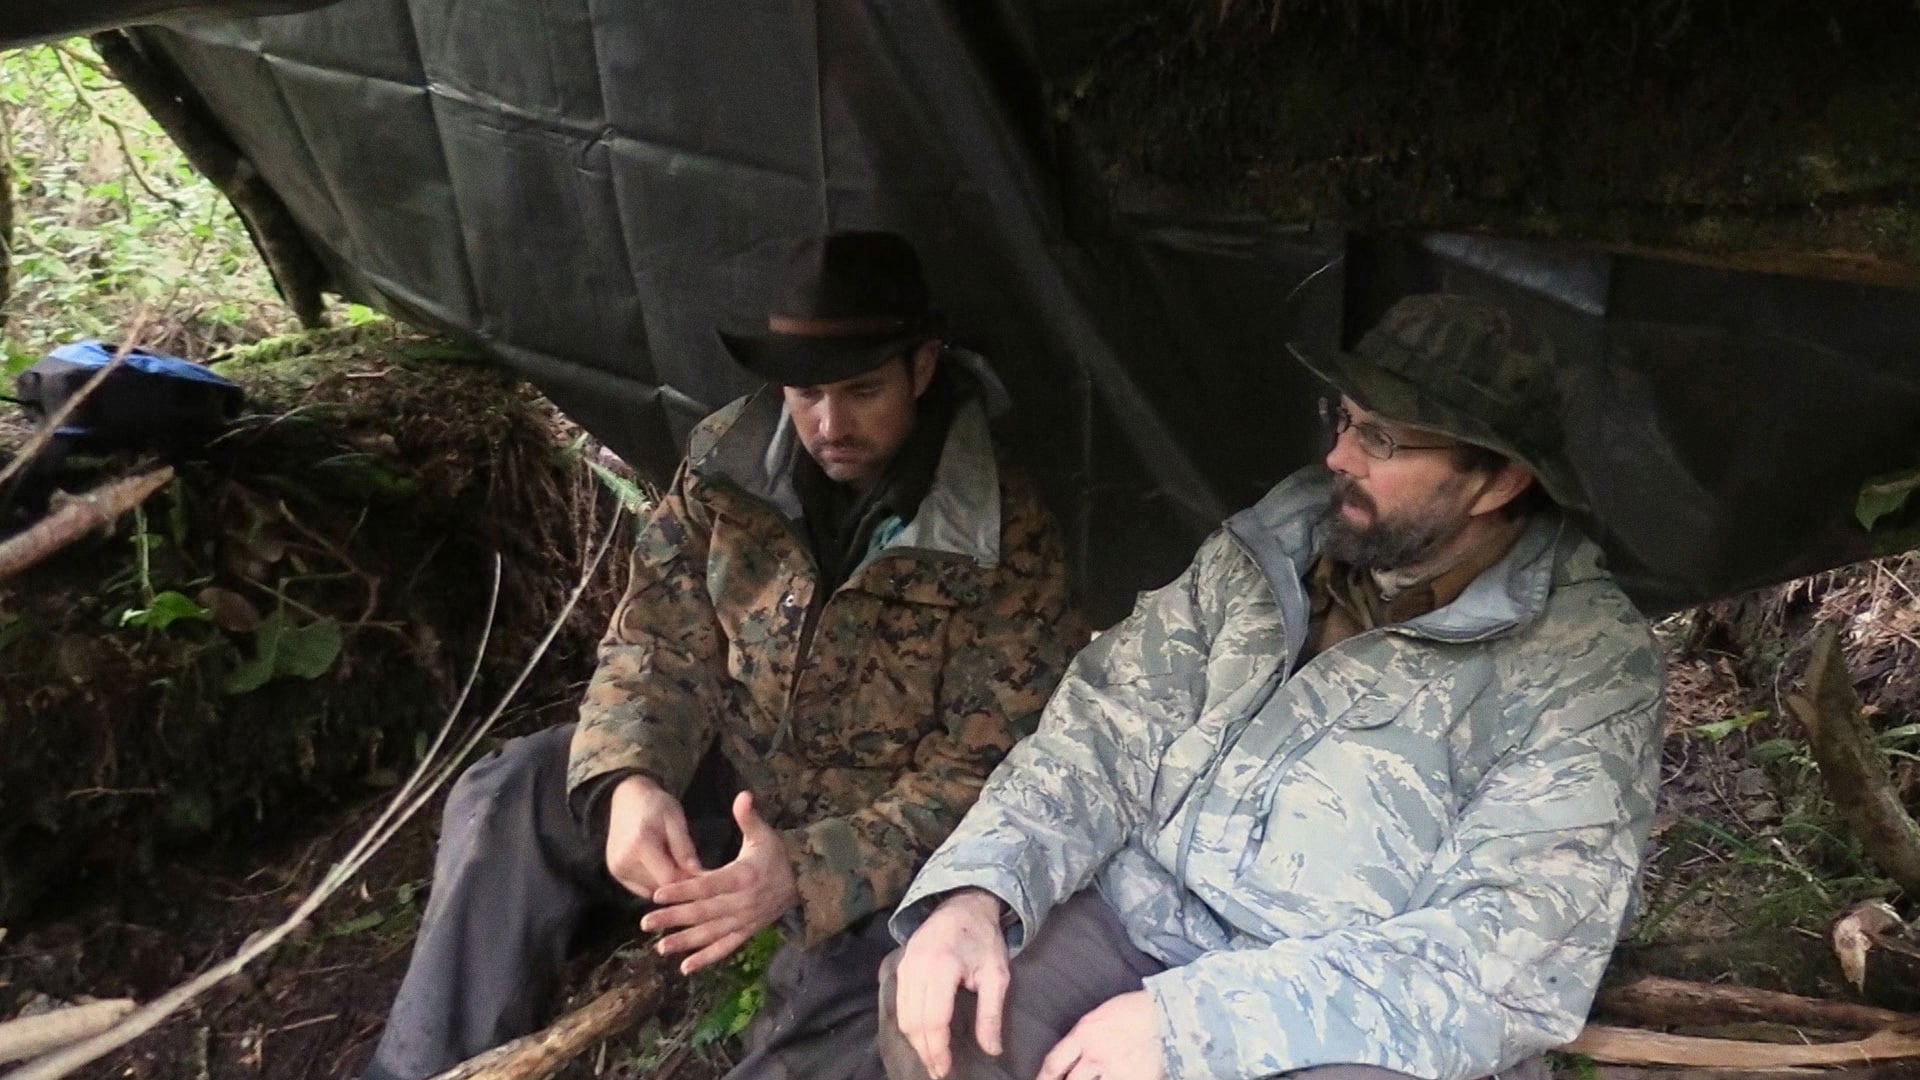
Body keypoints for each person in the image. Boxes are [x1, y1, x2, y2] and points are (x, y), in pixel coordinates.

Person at [881, 294, 1665, 1080]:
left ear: (1498, 484)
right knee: (947, 1003)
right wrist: (981, 889)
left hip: (1336, 1004)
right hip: (1140, 919)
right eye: (1344, 418)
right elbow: (1106, 729)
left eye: (1381, 439)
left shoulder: (1585, 665)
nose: (1340, 458)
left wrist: (1193, 1025)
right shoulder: (1279, 540)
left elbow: (1497, 960)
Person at [362, 231, 1085, 1080]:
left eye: (862, 391)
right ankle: (413, 1070)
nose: (829, 425)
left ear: (922, 370)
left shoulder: (1002, 533)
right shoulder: (727, 466)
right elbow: (657, 641)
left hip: (877, 853)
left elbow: (984, 770)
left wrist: (808, 872)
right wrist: (632, 778)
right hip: (731, 782)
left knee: (880, 1018)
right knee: (513, 792)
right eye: (806, 393)